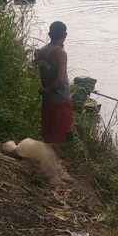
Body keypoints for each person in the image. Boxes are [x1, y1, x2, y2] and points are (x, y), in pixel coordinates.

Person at [34, 21, 74, 158]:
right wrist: (49, 89)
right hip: (59, 99)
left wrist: (45, 89)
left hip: (48, 99)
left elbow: (39, 68)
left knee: (49, 132)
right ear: (65, 35)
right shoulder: (61, 52)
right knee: (58, 136)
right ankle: (56, 165)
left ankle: (49, 160)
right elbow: (60, 79)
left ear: (50, 34)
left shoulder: (41, 51)